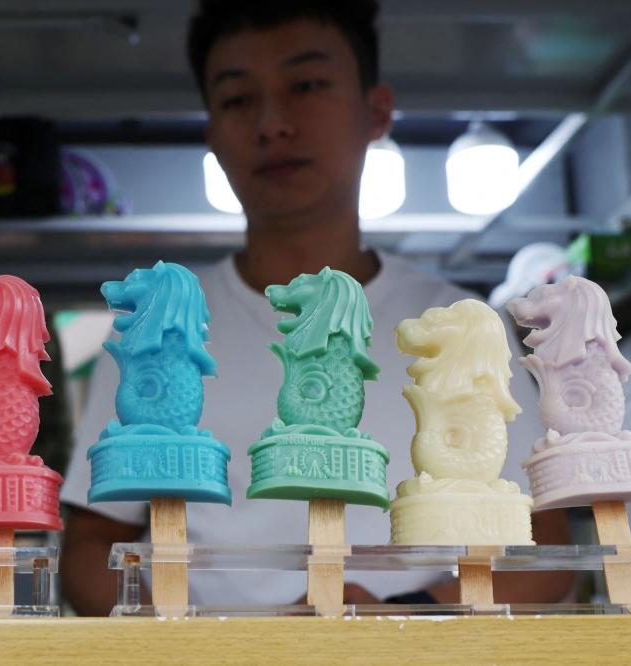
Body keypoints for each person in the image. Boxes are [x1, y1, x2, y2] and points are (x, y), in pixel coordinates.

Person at [59, 0, 574, 616]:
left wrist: (410, 610)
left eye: (306, 85)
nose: (273, 122)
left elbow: (542, 552)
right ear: (212, 136)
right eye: (237, 99)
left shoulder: (461, 328)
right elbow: (90, 547)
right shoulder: (158, 331)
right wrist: (190, 635)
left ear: (376, 111)